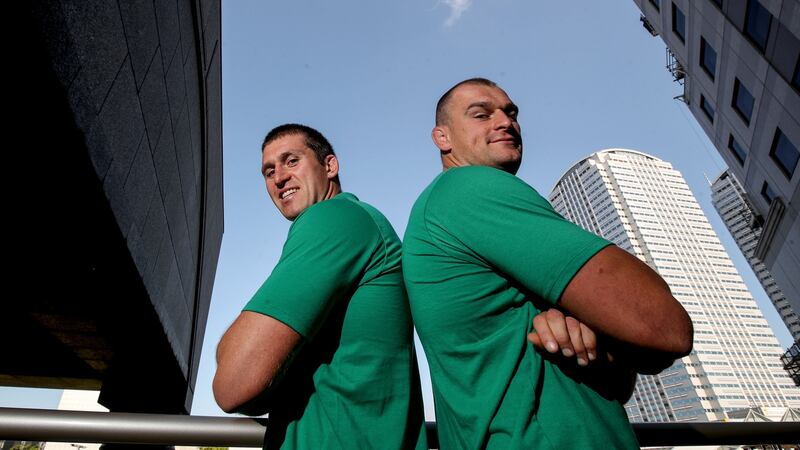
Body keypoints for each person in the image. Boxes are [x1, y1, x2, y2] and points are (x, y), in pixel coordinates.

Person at [402, 78, 694, 449]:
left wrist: (594, 341)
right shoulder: (467, 189)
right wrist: (608, 330)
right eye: (481, 114)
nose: (505, 122)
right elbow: (665, 325)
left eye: (511, 113)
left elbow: (621, 383)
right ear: (442, 138)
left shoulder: (443, 209)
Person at [213, 124, 427, 450]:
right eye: (268, 171)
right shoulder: (357, 221)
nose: (279, 177)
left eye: (291, 161)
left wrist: (233, 349)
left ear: (330, 166)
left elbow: (232, 385)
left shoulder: (333, 220)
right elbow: (251, 393)